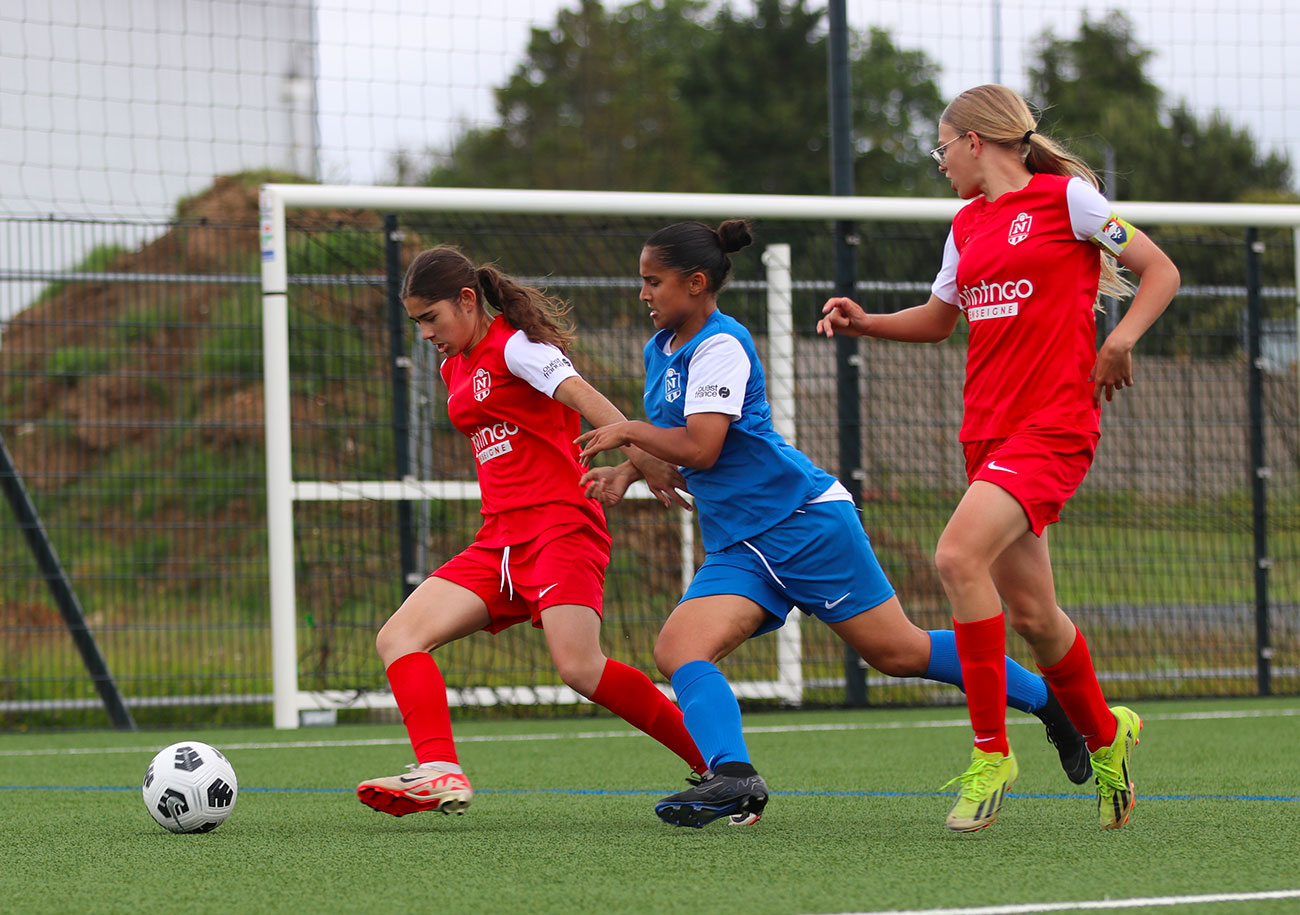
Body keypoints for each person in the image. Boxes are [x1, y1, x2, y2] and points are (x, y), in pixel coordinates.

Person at [577, 218, 1093, 830]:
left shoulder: (722, 344)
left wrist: (630, 433)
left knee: (898, 652)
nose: (642, 294)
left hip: (803, 524)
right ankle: (733, 777)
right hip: (741, 544)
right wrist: (631, 473)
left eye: (652, 282)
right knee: (678, 648)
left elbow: (705, 446)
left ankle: (1050, 702)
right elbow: (681, 442)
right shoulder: (658, 350)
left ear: (695, 283)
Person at [818, 84, 1181, 832]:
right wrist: (867, 323)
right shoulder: (965, 226)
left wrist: (1119, 340)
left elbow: (1161, 271)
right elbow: (937, 319)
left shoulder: (1071, 202)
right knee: (1035, 614)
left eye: (941, 148)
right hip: (986, 431)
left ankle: (992, 752)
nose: (940, 161)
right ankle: (1107, 734)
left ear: (975, 142)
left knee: (955, 556)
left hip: (1052, 427)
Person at [356, 245, 709, 818]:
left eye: (430, 318)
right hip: (497, 542)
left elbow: (587, 399)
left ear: (467, 300)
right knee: (397, 637)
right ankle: (441, 770)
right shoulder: (454, 365)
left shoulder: (518, 348)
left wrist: (641, 457)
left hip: (560, 530)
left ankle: (716, 767)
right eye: (416, 321)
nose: (424, 334)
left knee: (578, 667)